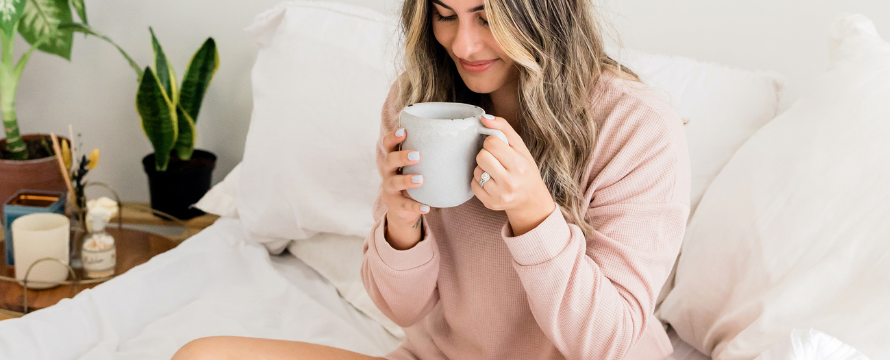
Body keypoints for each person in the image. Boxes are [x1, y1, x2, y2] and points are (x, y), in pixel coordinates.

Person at [172, 0, 689, 358]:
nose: (463, 44)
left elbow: (606, 342)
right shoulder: (418, 103)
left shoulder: (636, 126)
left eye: (487, 18)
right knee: (201, 355)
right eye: (445, 15)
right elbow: (402, 307)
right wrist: (401, 225)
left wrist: (534, 216)